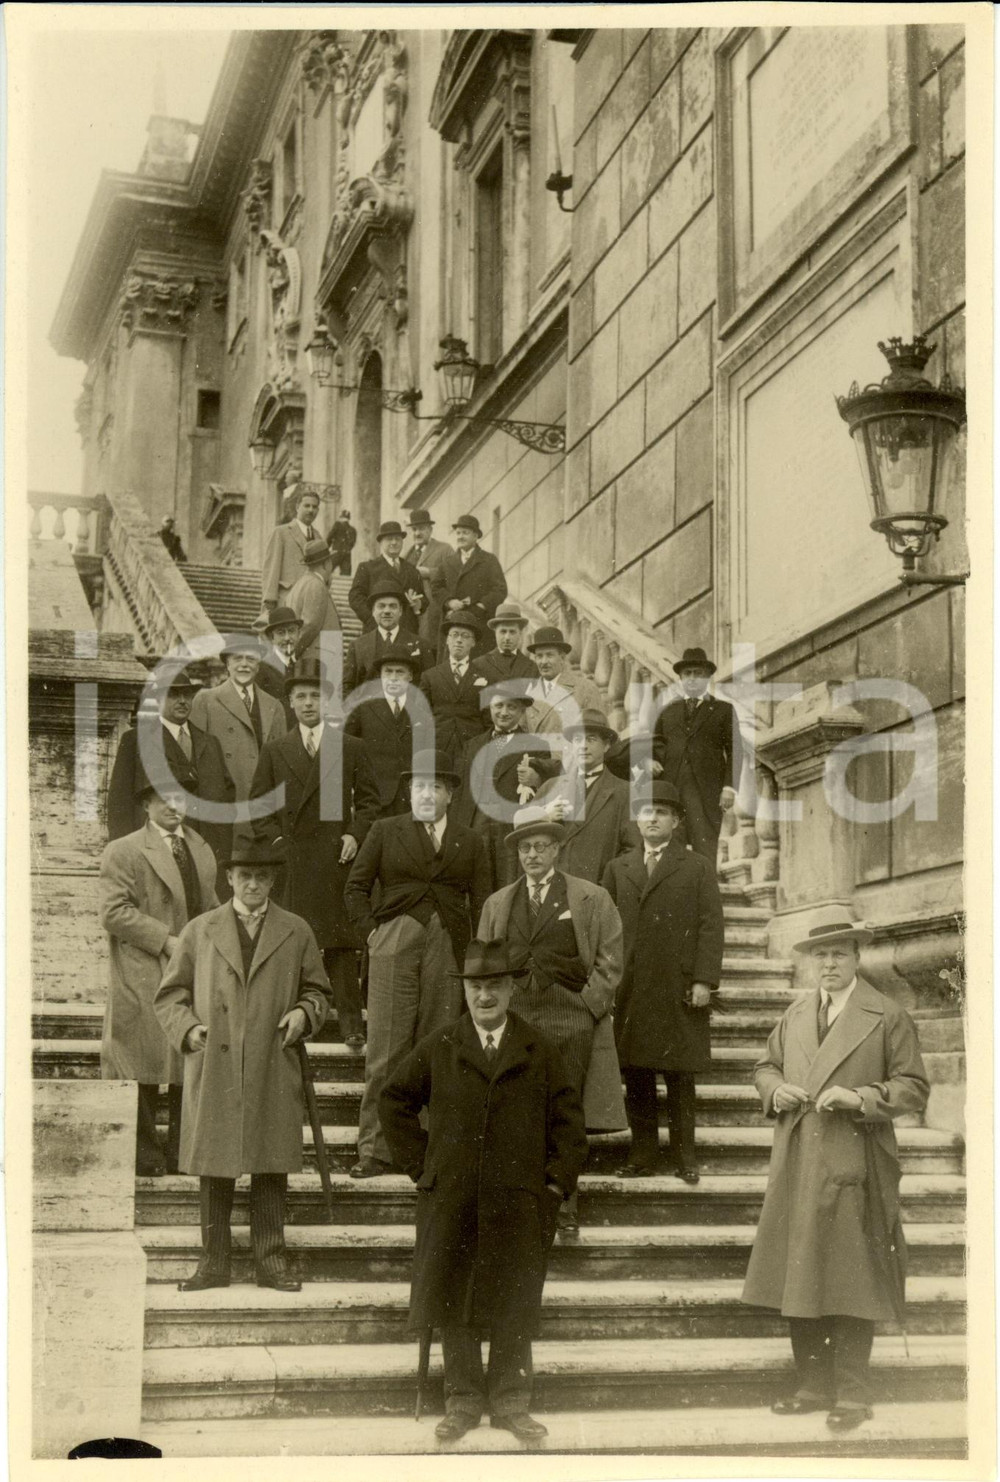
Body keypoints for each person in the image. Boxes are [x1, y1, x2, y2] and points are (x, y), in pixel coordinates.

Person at [379, 937, 588, 1447]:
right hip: (452, 1197)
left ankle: (513, 1404)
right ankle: (464, 1402)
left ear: (511, 990)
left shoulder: (540, 1049)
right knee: (455, 1299)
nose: (485, 997)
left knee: (515, 1300)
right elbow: (393, 1100)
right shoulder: (443, 1044)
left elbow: (569, 1123)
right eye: (476, 987)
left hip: (519, 1201)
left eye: (494, 986)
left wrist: (555, 1184)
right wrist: (421, 1167)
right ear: (466, 992)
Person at [741, 906, 930, 1433]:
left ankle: (852, 1391)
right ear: (809, 962)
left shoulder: (885, 1014)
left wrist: (862, 1096)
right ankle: (812, 1384)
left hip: (855, 1162)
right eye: (820, 955)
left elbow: (913, 1086)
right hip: (800, 1159)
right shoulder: (796, 1014)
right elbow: (765, 1066)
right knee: (799, 1270)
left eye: (838, 954)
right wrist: (774, 1090)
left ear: (856, 957)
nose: (828, 963)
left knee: (851, 1276)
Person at [155, 843, 331, 1293]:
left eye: (262, 877)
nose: (253, 884)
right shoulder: (200, 930)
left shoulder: (296, 930)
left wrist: (304, 1015)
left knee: (271, 1164)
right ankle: (213, 1263)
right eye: (245, 876)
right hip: (216, 1062)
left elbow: (319, 992)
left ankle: (270, 1262)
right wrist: (190, 1029)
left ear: (273, 882)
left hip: (273, 1060)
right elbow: (170, 996)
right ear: (229, 879)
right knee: (214, 1165)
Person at [477, 805, 625, 1233]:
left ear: (557, 850)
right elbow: (486, 963)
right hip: (518, 1014)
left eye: (541, 847)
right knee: (515, 1109)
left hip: (571, 1017)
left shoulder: (590, 897)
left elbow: (611, 957)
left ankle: (564, 1203)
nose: (533, 855)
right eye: (525, 848)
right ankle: (520, 1201)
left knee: (566, 1110)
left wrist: (588, 1004)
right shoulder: (498, 903)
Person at [344, 749, 491, 1178]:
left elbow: (481, 900)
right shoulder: (385, 830)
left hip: (448, 945)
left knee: (439, 1046)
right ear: (409, 792)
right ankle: (375, 1150)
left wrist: (474, 953)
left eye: (436, 787)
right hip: (394, 939)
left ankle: (432, 1151)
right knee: (386, 1049)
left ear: (450, 795)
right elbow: (356, 887)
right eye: (419, 787)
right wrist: (372, 933)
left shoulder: (470, 839)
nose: (426, 794)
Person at [249, 660, 381, 1051]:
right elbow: (259, 807)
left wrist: (355, 834)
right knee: (293, 938)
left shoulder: (351, 747)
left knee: (340, 943)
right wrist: (276, 846)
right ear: (290, 702)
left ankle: (351, 1025)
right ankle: (291, 1017)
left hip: (336, 858)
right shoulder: (276, 751)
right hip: (294, 860)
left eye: (315, 696)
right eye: (301, 696)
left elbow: (372, 803)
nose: (308, 703)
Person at [602, 782, 725, 1183]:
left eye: (661, 812)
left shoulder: (697, 866)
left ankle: (684, 1156)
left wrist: (704, 980)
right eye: (645, 812)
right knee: (636, 1073)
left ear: (676, 821)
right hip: (632, 986)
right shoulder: (619, 868)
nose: (651, 818)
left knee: (680, 1075)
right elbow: (604, 927)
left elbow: (710, 925)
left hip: (679, 985)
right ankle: (643, 1155)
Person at [100, 779, 218, 1175]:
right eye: (163, 799)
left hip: (189, 966)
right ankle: (145, 1153)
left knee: (188, 1054)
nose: (173, 805)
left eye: (181, 797)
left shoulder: (199, 847)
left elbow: (211, 905)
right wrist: (163, 939)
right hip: (144, 965)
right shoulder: (124, 850)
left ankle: (183, 1151)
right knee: (141, 1060)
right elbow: (113, 912)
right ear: (146, 804)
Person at [106, 669, 234, 887]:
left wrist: (221, 845)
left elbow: (229, 797)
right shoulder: (136, 741)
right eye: (173, 694)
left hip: (206, 856)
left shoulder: (210, 743)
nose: (182, 701)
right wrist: (125, 859)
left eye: (187, 695)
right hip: (156, 856)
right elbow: (119, 805)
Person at [455, 689, 560, 892]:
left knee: (509, 886)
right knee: (477, 887)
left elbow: (548, 789)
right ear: (490, 708)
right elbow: (461, 795)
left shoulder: (536, 745)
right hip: (477, 827)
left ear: (521, 712)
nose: (504, 712)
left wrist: (536, 779)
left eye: (511, 707)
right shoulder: (472, 745)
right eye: (499, 706)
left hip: (510, 829)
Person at [649, 647, 744, 862]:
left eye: (698, 674)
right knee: (671, 847)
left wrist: (729, 787)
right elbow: (654, 745)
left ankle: (706, 894)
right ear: (681, 678)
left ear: (708, 677)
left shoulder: (723, 710)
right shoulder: (667, 712)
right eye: (687, 674)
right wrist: (651, 760)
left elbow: (735, 750)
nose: (692, 679)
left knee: (705, 848)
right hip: (672, 790)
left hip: (705, 792)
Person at [534, 708, 638, 884]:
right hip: (551, 887)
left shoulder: (625, 792)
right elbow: (524, 837)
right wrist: (544, 816)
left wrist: (607, 882)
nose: (583, 746)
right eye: (578, 739)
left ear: (606, 745)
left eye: (591, 739)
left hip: (597, 890)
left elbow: (633, 849)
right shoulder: (550, 787)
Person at [190, 637, 287, 800]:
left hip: (262, 798)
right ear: (227, 665)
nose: (244, 664)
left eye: (251, 659)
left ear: (258, 666)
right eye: (237, 658)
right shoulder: (205, 700)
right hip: (223, 797)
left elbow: (280, 760)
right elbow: (195, 758)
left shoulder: (274, 706)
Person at [343, 647, 435, 818]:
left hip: (409, 802)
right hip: (373, 800)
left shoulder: (421, 714)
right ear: (380, 676)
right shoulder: (363, 708)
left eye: (400, 672)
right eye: (388, 672)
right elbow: (346, 750)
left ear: (410, 676)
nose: (393, 678)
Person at [418, 612, 489, 767]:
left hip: (472, 751)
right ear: (447, 640)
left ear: (473, 642)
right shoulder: (430, 676)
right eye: (454, 635)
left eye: (465, 636)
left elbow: (489, 721)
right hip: (437, 749)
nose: (459, 640)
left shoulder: (485, 678)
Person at [344, 579, 433, 693]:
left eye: (392, 606)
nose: (387, 611)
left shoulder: (421, 645)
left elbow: (428, 688)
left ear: (400, 611)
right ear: (373, 611)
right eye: (381, 606)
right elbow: (346, 688)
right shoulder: (357, 646)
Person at [441, 515, 507, 656]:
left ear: (475, 536)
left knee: (479, 664)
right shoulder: (447, 562)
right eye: (458, 533)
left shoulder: (488, 560)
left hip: (480, 623)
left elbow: (500, 589)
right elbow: (436, 587)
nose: (460, 536)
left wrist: (481, 606)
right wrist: (449, 601)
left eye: (465, 533)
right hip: (454, 621)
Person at [524, 626, 604, 738]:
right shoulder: (529, 696)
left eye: (549, 655)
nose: (543, 662)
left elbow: (597, 736)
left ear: (562, 658)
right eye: (539, 656)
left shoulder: (585, 689)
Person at [349, 520, 426, 634]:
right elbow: (355, 597)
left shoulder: (412, 569)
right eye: (389, 539)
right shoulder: (367, 568)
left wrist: (419, 604)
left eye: (398, 539)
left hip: (407, 632)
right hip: (377, 631)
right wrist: (372, 619)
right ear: (381, 543)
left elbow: (423, 598)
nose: (394, 542)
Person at [261, 486, 322, 611]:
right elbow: (272, 568)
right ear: (297, 507)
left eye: (314, 507)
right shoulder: (281, 532)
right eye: (307, 506)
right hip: (287, 599)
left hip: (310, 604)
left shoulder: (318, 537)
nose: (311, 510)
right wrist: (269, 600)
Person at [402, 508, 454, 647]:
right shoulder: (406, 555)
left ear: (430, 530)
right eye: (414, 529)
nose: (417, 533)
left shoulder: (444, 549)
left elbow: (454, 574)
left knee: (431, 651)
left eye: (422, 529)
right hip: (411, 615)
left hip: (433, 614)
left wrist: (429, 573)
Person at [286, 538, 341, 661]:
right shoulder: (316, 585)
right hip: (319, 659)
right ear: (326, 564)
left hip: (312, 658)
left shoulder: (300, 584)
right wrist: (293, 654)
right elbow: (310, 625)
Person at [253, 606, 303, 724]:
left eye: (291, 631)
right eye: (281, 633)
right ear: (272, 638)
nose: (287, 638)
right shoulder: (262, 668)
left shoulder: (303, 667)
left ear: (299, 634)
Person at [471, 601, 538, 687]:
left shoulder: (532, 668)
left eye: (512, 632)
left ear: (520, 633)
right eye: (503, 631)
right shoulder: (479, 664)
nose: (507, 637)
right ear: (495, 632)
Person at [327, 508, 357, 576]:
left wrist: (327, 548)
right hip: (347, 554)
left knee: (326, 571)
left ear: (340, 517)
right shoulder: (352, 530)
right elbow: (352, 543)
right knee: (345, 576)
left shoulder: (337, 525)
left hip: (336, 552)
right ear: (349, 518)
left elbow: (329, 537)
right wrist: (347, 549)